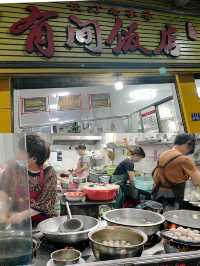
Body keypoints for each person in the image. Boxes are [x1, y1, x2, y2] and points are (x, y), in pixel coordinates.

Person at [1, 134, 57, 226]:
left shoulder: (49, 172)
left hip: (42, 223)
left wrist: (22, 215)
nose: (17, 155)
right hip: (19, 222)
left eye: (21, 152)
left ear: (34, 158)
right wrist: (3, 208)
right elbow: (3, 188)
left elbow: (46, 202)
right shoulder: (14, 168)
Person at [152, 133, 200, 210]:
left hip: (159, 192)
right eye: (188, 151)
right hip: (173, 197)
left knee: (161, 216)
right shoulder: (184, 159)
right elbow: (197, 181)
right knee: (173, 219)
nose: (186, 154)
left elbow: (155, 175)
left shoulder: (163, 154)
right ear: (188, 144)